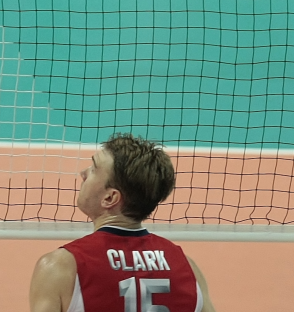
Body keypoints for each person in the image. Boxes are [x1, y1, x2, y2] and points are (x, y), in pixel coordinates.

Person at [29, 133, 217, 312]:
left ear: (110, 198)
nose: (83, 173)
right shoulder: (188, 268)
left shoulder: (60, 268)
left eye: (94, 169)